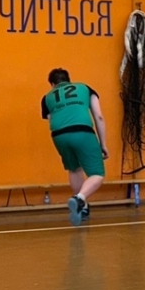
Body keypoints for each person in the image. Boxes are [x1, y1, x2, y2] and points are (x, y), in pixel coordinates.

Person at [41, 69, 109, 226]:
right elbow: (98, 116)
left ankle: (82, 209)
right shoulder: (85, 88)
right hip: (82, 131)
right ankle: (79, 199)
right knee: (97, 174)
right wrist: (103, 144)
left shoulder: (46, 98)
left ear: (52, 84)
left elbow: (51, 121)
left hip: (59, 135)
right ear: (68, 80)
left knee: (74, 169)